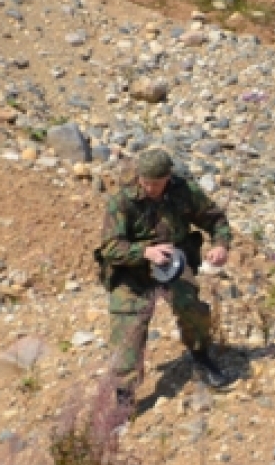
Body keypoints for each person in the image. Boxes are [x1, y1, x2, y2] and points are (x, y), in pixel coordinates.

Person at [98, 147, 232, 406]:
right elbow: (110, 247)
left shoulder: (183, 192)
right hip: (132, 271)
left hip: (174, 264)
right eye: (145, 182)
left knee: (191, 308)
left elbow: (215, 219)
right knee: (128, 331)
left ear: (168, 177)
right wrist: (145, 251)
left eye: (156, 183)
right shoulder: (122, 201)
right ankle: (124, 396)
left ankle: (201, 355)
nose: (150, 188)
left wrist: (221, 245)